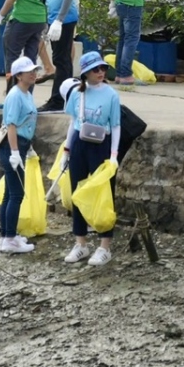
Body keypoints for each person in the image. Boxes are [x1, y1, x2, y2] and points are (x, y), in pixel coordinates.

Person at [61, 51, 121, 266]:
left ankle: (105, 246)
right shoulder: (77, 93)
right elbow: (72, 122)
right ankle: (81, 242)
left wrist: (114, 155)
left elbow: (115, 126)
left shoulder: (111, 94)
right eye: (96, 69)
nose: (101, 72)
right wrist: (66, 151)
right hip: (80, 142)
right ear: (86, 72)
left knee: (104, 193)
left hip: (100, 144)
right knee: (78, 191)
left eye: (103, 68)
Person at [0, 55, 40, 254]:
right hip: (12, 146)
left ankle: (7, 235)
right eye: (29, 71)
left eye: (34, 70)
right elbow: (11, 125)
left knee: (9, 193)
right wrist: (15, 152)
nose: (33, 74)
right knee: (16, 194)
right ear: (18, 75)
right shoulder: (15, 95)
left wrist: (26, 147)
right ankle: (9, 238)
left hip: (21, 144)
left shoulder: (26, 93)